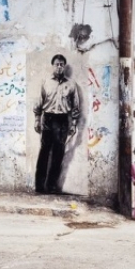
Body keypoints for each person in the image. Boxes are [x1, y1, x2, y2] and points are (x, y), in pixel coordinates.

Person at [33, 54, 80, 194]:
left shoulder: (71, 84)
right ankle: (39, 185)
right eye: (57, 64)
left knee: (58, 153)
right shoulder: (46, 82)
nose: (59, 67)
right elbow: (39, 102)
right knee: (44, 152)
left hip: (62, 121)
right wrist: (37, 119)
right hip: (48, 118)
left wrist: (73, 124)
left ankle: (52, 185)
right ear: (53, 65)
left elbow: (75, 106)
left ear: (64, 66)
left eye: (61, 64)